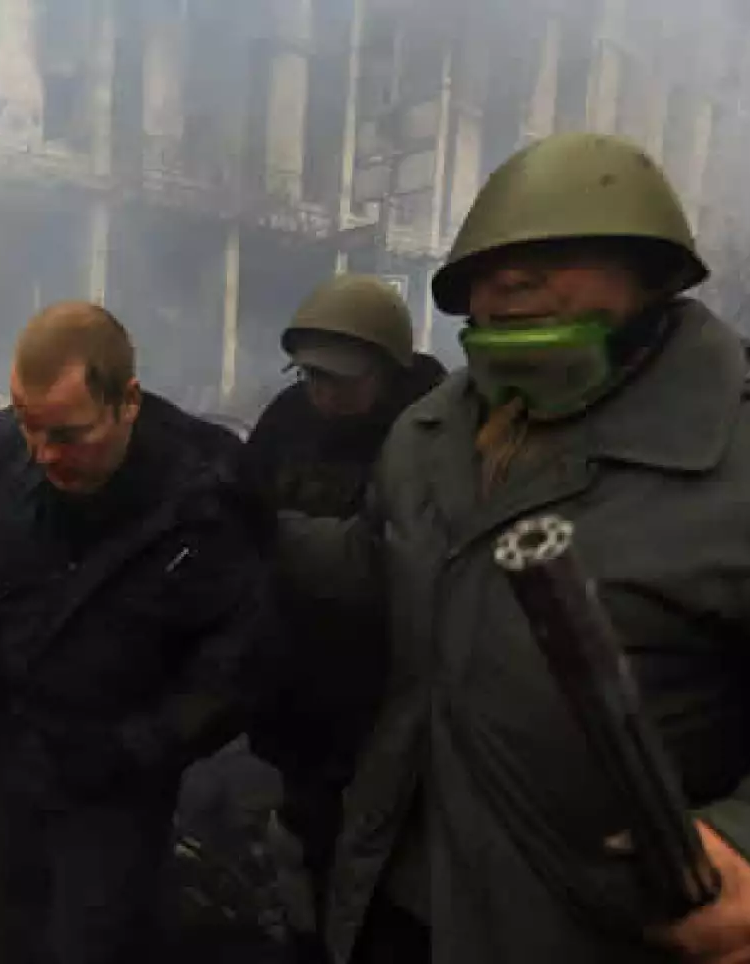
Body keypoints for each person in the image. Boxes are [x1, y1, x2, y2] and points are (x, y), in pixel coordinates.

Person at [280, 133, 750, 964]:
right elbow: (383, 569)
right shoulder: (431, 433)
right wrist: (258, 532)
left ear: (654, 275)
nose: (509, 280)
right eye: (484, 266)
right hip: (399, 901)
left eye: (560, 252)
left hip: (601, 927)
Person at [0, 301, 282, 964]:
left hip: (113, 783)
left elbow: (235, 668)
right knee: (21, 911)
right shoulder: (1, 449)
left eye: (68, 435)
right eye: (28, 425)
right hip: (11, 751)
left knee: (92, 938)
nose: (43, 455)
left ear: (126, 401)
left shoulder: (209, 498)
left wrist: (134, 748)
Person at [240, 273, 443, 964]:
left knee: (383, 858)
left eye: (341, 380)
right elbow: (243, 500)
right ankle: (308, 938)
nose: (322, 393)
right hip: (299, 679)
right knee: (304, 833)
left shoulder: (427, 432)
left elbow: (399, 564)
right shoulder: (289, 417)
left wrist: (281, 534)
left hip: (385, 688)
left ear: (389, 369)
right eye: (310, 376)